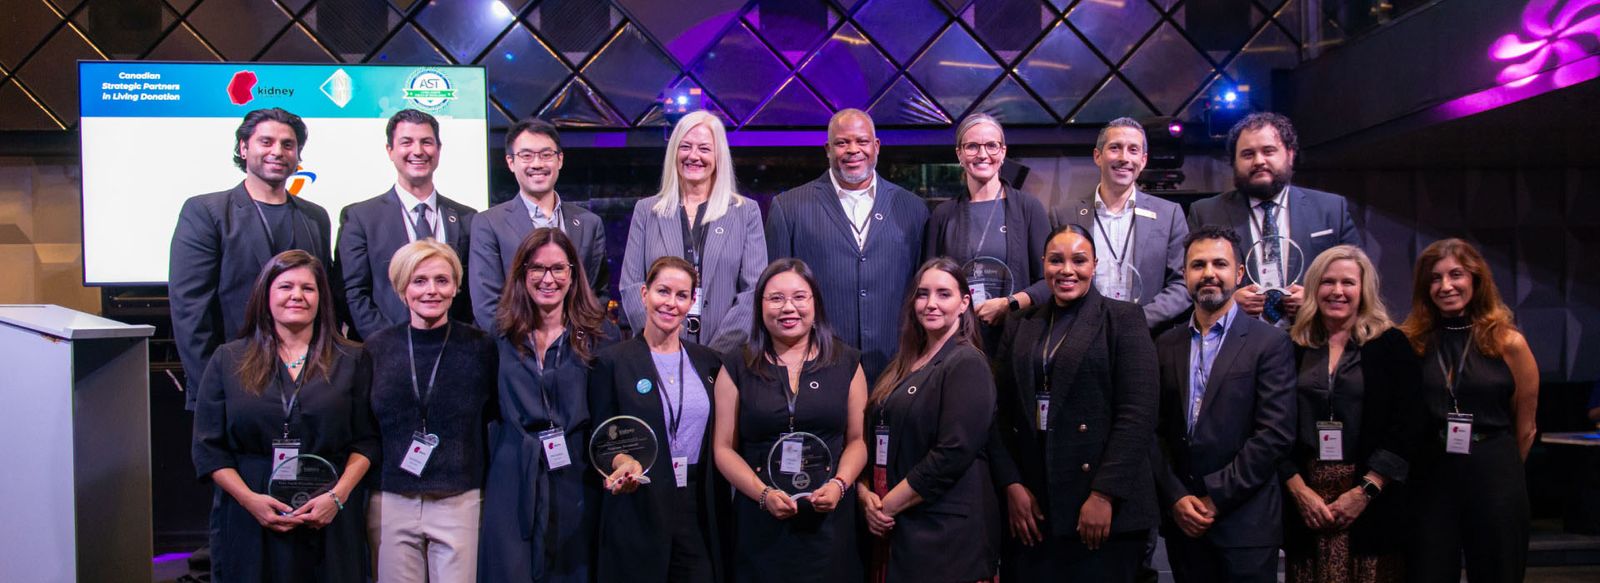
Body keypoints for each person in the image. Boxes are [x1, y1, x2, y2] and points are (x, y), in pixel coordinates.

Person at [191, 250, 376, 582]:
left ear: (322, 298)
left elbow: (367, 441)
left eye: (308, 288)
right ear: (266, 295)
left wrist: (337, 497)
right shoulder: (228, 359)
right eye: (286, 287)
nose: (297, 296)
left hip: (328, 514)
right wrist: (250, 501)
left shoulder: (353, 358)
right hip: (251, 514)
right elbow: (209, 449)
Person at [989, 225, 1159, 582]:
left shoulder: (1123, 318)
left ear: (1094, 265)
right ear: (1043, 264)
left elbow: (1137, 415)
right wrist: (1011, 484)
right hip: (1034, 509)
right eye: (1056, 260)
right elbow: (998, 412)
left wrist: (1104, 494)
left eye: (1079, 260)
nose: (1067, 270)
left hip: (1102, 510)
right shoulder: (1021, 323)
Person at [1151, 225, 1296, 583]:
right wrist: (1176, 497)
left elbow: (1274, 434)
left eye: (1220, 264)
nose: (1209, 274)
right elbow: (1152, 431)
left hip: (1246, 524)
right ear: (1184, 273)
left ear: (1240, 273)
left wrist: (1214, 497)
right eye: (1198, 265)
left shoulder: (1269, 343)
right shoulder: (1165, 345)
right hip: (1184, 522)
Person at [711, 258, 868, 583]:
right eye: (776, 298)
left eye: (799, 297)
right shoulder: (737, 364)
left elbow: (857, 440)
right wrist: (763, 495)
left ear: (815, 303)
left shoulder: (846, 361)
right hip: (760, 523)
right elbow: (723, 448)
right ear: (760, 306)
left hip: (829, 523)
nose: (788, 307)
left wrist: (839, 485)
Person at [171, 107, 336, 410]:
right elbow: (190, 311)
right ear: (244, 148)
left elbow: (325, 303)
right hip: (234, 381)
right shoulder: (206, 212)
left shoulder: (315, 217)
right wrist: (211, 389)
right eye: (266, 142)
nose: (278, 152)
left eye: (288, 144)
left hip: (307, 383)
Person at [480, 227, 618, 582]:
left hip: (577, 473)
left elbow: (609, 413)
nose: (548, 279)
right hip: (513, 471)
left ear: (572, 273)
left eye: (558, 268)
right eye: (538, 268)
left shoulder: (600, 334)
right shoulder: (500, 333)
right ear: (522, 272)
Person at [1400, 238, 1538, 583]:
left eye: (1456, 275)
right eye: (1435, 278)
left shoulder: (1509, 343)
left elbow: (1526, 427)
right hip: (1432, 475)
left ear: (1476, 279)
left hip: (1495, 473)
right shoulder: (1412, 342)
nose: (1445, 286)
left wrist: (1500, 470)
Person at [1279, 245, 1421, 583]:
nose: (1337, 291)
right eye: (1328, 282)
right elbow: (1271, 423)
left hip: (1373, 499)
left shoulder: (1391, 344)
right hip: (1306, 501)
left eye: (1348, 283)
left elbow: (1408, 424)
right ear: (1314, 287)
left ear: (1364, 289)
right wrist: (1299, 491)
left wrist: (1365, 491)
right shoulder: (1289, 345)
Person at [589, 256, 730, 583]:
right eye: (662, 291)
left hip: (697, 504)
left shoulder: (710, 362)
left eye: (681, 295)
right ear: (644, 293)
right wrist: (623, 463)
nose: (671, 303)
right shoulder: (612, 362)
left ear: (692, 302)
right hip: (639, 499)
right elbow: (602, 438)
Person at [363, 240, 495, 583]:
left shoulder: (481, 347)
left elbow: (493, 417)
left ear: (456, 287)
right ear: (401, 288)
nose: (431, 290)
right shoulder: (376, 348)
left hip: (459, 499)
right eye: (419, 281)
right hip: (392, 499)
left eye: (442, 280)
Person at [860, 257, 1000, 583]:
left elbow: (953, 453)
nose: (931, 304)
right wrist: (864, 494)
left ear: (964, 303)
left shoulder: (966, 362)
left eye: (943, 294)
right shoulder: (903, 363)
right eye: (922, 294)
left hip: (944, 537)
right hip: (897, 528)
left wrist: (887, 505)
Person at [766, 108, 929, 382]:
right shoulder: (789, 208)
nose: (853, 150)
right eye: (842, 142)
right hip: (816, 365)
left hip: (897, 366)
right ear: (828, 149)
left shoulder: (913, 208)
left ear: (876, 146)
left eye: (862, 141)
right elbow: (775, 294)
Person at [1187, 112, 1359, 325]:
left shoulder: (1331, 209)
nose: (1259, 161)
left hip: (1313, 333)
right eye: (1248, 154)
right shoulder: (1206, 213)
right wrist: (1227, 304)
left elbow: (1358, 279)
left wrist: (1316, 300)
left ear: (1290, 154)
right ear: (1233, 162)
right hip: (1240, 336)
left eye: (1268, 151)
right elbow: (1190, 284)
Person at [621, 111, 766, 353]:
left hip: (725, 357)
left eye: (704, 149)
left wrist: (715, 354)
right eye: (685, 146)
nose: (693, 156)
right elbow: (631, 286)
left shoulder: (745, 212)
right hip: (659, 352)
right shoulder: (646, 211)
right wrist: (662, 343)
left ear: (718, 155)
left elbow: (753, 291)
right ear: (674, 152)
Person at [337, 109, 477, 340]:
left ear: (439, 149)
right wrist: (391, 344)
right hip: (380, 349)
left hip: (452, 349)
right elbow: (352, 293)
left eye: (426, 142)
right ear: (390, 150)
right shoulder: (360, 217)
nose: (418, 151)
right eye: (407, 142)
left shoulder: (467, 218)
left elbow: (474, 294)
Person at [923, 113, 1051, 352]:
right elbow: (927, 284)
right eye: (972, 146)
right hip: (957, 343)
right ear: (959, 154)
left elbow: (1049, 281)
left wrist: (1009, 304)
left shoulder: (1029, 209)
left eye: (991, 145)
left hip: (1016, 342)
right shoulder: (943, 215)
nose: (982, 154)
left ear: (1003, 152)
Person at [1049, 117, 1191, 331]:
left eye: (1133, 150)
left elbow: (1182, 283)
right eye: (1115, 148)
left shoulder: (1169, 215)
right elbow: (1051, 280)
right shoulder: (1064, 216)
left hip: (1146, 335)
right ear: (1098, 156)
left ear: (1143, 160)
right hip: (1081, 333)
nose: (1124, 158)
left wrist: (1138, 320)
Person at [471, 118, 608, 331]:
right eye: (526, 155)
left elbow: (597, 295)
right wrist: (531, 344)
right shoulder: (488, 223)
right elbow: (487, 304)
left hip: (575, 345)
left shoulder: (589, 223)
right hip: (513, 345)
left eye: (546, 155)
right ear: (510, 162)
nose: (537, 164)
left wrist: (572, 340)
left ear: (559, 160)